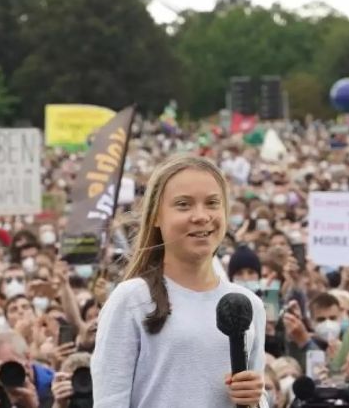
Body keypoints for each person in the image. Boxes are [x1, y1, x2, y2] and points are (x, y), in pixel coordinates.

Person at [91, 155, 267, 407]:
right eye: (183, 205)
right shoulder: (131, 299)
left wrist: (255, 399)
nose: (201, 216)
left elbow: (258, 395)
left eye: (212, 203)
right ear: (156, 216)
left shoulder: (248, 304)